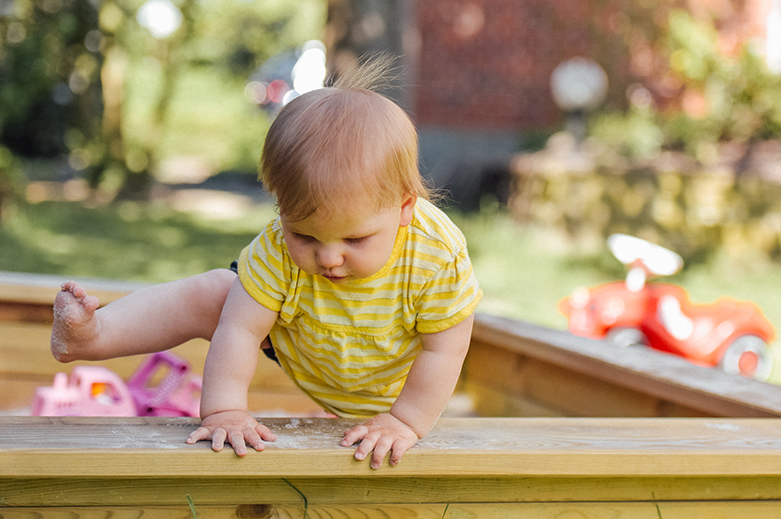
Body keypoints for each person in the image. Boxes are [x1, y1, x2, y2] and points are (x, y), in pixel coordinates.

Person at [49, 62, 481, 469]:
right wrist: (225, 410)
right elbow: (239, 330)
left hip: (395, 376)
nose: (328, 257)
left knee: (426, 365)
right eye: (305, 236)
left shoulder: (435, 255)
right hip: (306, 339)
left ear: (405, 208)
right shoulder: (276, 246)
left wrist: (405, 420)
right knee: (218, 292)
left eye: (355, 239)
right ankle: (92, 336)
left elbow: (445, 347)